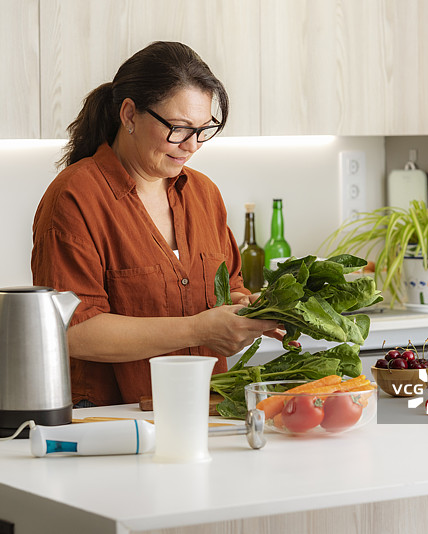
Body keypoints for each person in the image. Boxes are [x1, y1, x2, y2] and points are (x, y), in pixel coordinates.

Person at [32, 41, 280, 407]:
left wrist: (248, 311)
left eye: (204, 129)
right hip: (108, 424)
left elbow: (229, 287)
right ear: (129, 115)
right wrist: (200, 328)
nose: (192, 145)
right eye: (178, 128)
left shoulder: (204, 194)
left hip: (203, 412)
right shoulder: (75, 197)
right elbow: (73, 330)